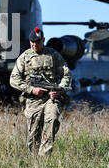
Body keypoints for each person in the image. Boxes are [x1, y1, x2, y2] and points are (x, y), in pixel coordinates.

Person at [10, 26, 71, 157]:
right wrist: (32, 90)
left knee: (53, 119)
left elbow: (66, 75)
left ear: (43, 40)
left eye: (37, 42)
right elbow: (13, 79)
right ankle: (34, 160)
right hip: (33, 100)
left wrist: (59, 91)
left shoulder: (53, 55)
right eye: (32, 42)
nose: (34, 44)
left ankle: (44, 157)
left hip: (51, 98)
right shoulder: (24, 57)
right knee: (33, 134)